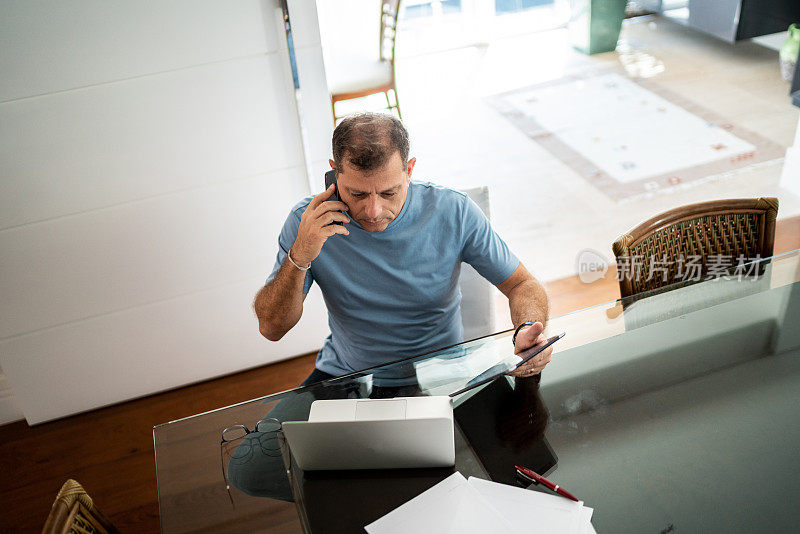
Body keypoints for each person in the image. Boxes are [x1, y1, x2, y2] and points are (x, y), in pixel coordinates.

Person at [253, 112, 552, 386]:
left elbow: (522, 284)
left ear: (409, 171)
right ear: (335, 172)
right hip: (348, 374)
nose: (373, 210)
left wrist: (528, 326)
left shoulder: (453, 211)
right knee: (262, 446)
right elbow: (271, 328)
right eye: (356, 193)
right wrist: (300, 256)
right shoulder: (306, 223)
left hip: (441, 376)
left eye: (388, 192)